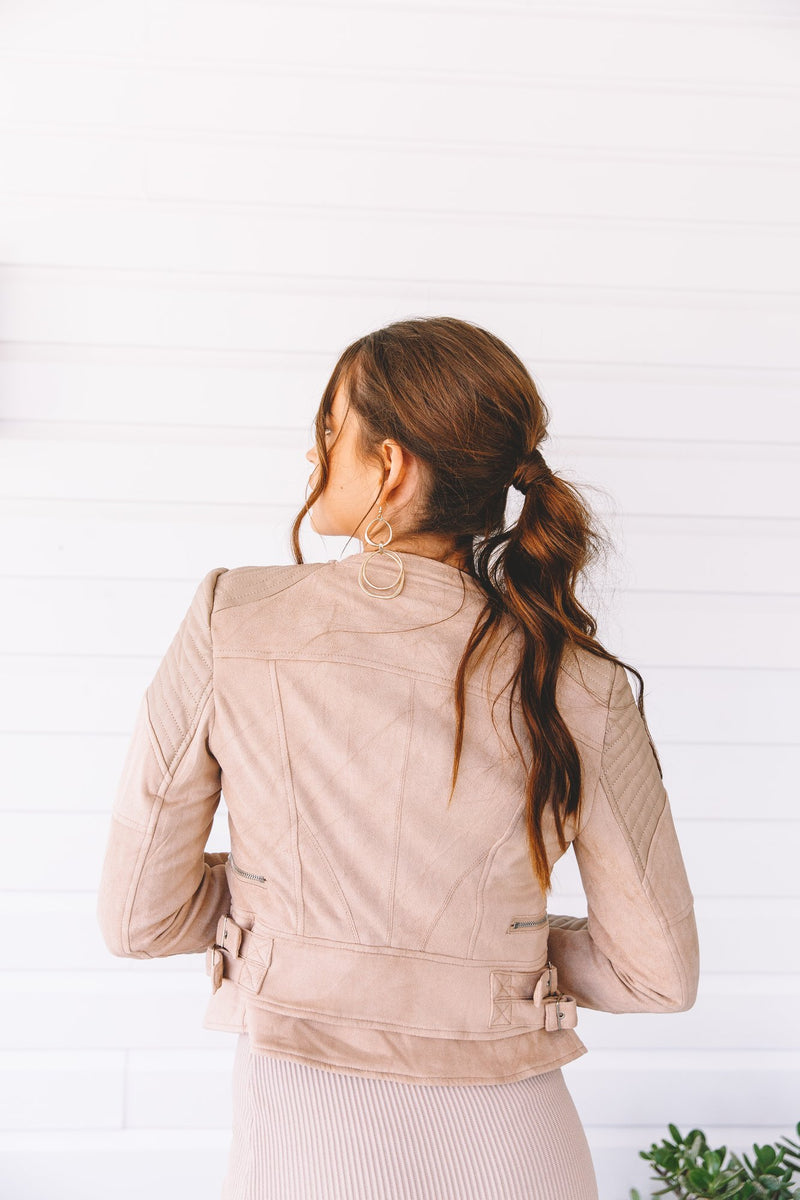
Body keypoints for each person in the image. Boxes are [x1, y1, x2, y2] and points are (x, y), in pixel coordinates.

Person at [97, 316, 699, 1200]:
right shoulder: (578, 680)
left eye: (327, 433)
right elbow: (660, 976)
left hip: (306, 1139)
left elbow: (138, 919)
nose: (311, 461)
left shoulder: (236, 617)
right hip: (521, 1147)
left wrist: (297, 920)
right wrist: (486, 961)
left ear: (392, 465)